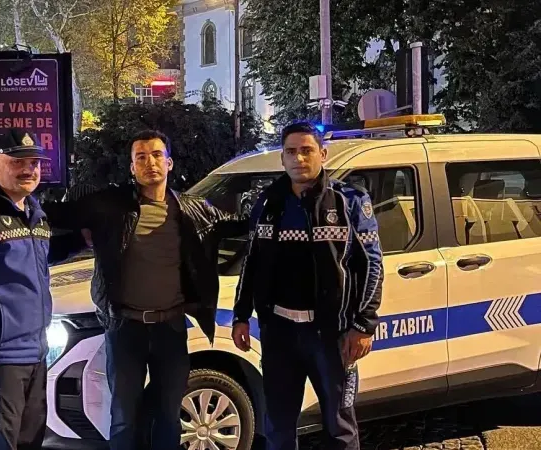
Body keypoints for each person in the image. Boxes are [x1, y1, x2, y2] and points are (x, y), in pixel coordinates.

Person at [43, 130, 245, 450]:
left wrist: (277, 200)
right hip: (126, 328)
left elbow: (242, 226)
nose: (149, 162)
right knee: (124, 416)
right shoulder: (111, 206)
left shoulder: (194, 209)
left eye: (156, 155)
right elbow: (56, 215)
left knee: (168, 415)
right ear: (132, 167)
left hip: (171, 329)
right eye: (141, 157)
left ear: (169, 163)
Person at [231, 122, 384, 450]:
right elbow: (252, 261)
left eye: (306, 150)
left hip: (332, 335)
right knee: (278, 426)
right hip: (279, 334)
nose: (298, 158)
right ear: (282, 158)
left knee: (340, 427)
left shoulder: (350, 201)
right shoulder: (268, 203)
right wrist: (241, 315)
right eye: (291, 151)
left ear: (322, 154)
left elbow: (372, 266)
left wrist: (363, 324)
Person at [0, 128, 82, 450]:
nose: (28, 169)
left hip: (35, 353)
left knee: (30, 442)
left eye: (34, 163)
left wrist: (81, 240)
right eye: (18, 161)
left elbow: (38, 256)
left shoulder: (33, 211)